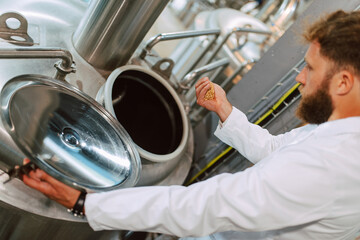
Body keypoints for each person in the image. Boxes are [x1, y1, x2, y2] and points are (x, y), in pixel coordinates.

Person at [22, 10, 360, 239]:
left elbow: (211, 204)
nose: (300, 78)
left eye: (311, 69)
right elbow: (277, 150)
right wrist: (226, 110)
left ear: (343, 82)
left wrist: (86, 204)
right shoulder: (339, 130)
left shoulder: (334, 164)